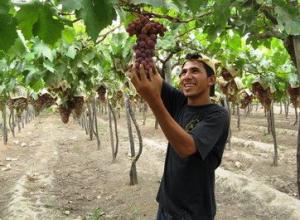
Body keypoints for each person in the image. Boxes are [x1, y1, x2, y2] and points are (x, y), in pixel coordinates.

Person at [128, 53, 230, 220]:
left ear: (211, 80)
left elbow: (186, 148)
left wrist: (152, 99)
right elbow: (154, 77)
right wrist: (141, 52)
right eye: (183, 72)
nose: (186, 76)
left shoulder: (218, 115)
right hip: (166, 205)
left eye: (195, 71)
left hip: (192, 213)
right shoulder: (180, 102)